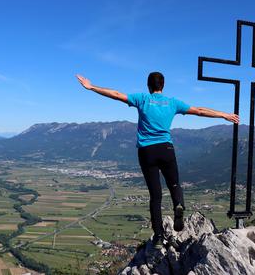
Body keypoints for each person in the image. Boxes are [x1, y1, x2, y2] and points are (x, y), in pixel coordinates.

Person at [76, 72, 239, 249]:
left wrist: (92, 87)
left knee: (155, 196)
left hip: (147, 152)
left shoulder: (142, 99)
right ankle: (178, 204)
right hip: (166, 149)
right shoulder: (172, 102)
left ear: (148, 85)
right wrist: (224, 115)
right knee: (174, 184)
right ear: (163, 85)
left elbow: (116, 94)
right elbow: (199, 110)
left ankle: (159, 237)